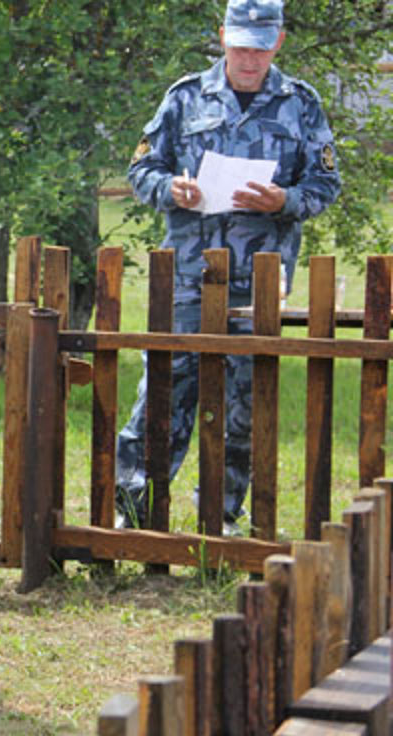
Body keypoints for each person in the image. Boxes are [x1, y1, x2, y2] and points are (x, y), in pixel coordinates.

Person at [115, 0, 341, 534]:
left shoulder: (301, 105)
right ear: (222, 37)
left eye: (260, 48)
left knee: (243, 406)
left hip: (259, 285)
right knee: (162, 397)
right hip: (190, 280)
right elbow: (141, 167)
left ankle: (223, 518)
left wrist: (283, 200)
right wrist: (169, 188)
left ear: (278, 43)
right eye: (240, 46)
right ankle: (135, 512)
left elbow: (326, 185)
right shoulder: (185, 97)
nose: (249, 58)